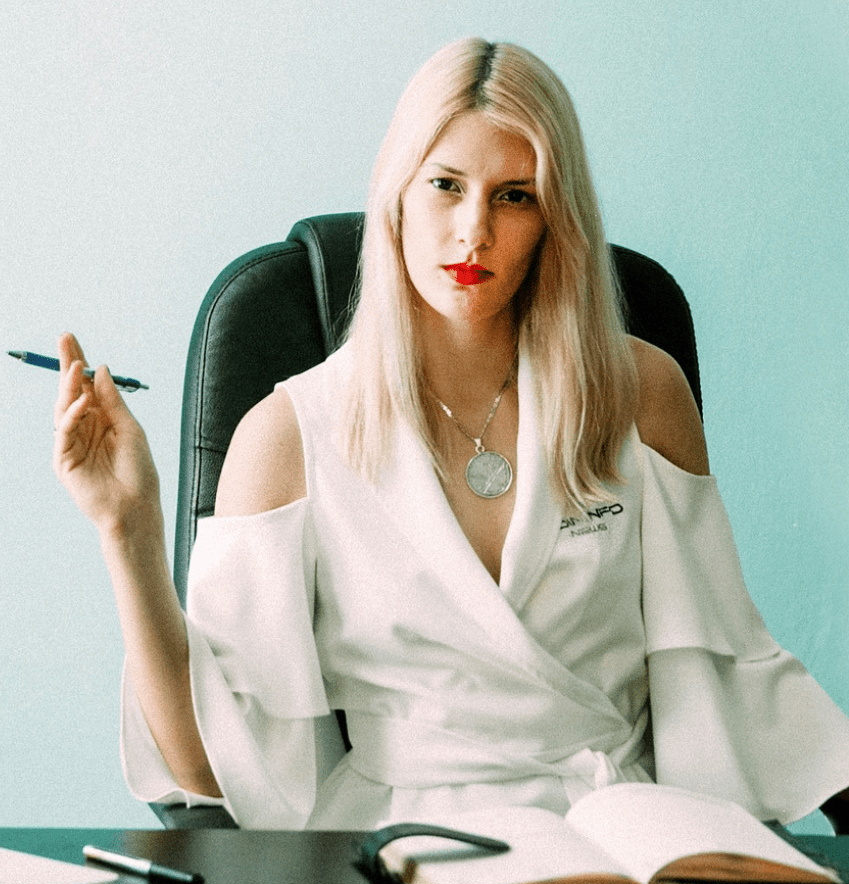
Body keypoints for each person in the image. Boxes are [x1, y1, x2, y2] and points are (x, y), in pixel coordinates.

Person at [54, 37, 849, 831]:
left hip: (615, 831)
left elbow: (723, 671)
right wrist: (128, 527)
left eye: (515, 196)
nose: (474, 231)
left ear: (554, 218)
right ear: (395, 196)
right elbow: (209, 762)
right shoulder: (288, 436)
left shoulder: (640, 392)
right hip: (401, 843)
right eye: (445, 185)